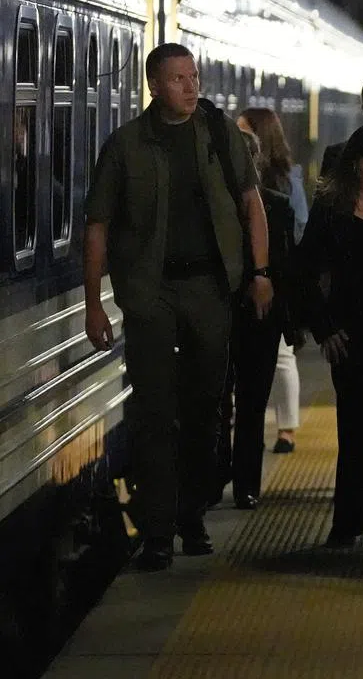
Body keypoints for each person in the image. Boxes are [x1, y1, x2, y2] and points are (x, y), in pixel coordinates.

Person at [83, 43, 272, 571]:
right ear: (153, 86)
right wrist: (93, 303)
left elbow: (251, 204)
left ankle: (191, 514)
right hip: (149, 292)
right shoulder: (126, 146)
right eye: (178, 80)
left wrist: (259, 273)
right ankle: (160, 529)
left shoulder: (219, 136)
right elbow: (97, 224)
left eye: (194, 77)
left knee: (204, 407)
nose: (191, 88)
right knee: (154, 409)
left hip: (210, 289)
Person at [296, 124, 363, 547]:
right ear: (354, 165)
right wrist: (323, 327)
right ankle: (350, 518)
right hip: (350, 329)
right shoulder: (332, 203)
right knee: (356, 425)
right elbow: (303, 268)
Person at [222, 129, 301, 509]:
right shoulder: (211, 206)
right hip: (221, 314)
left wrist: (290, 323)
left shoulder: (278, 206)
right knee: (220, 402)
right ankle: (217, 474)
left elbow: (286, 267)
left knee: (252, 404)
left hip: (262, 317)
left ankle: (245, 485)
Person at [238, 107, 307, 452]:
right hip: (252, 277)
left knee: (282, 355)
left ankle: (288, 428)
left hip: (277, 276)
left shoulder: (285, 178)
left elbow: (299, 228)